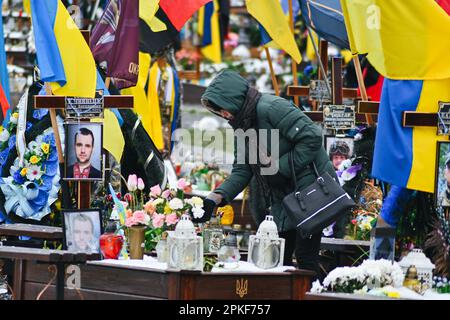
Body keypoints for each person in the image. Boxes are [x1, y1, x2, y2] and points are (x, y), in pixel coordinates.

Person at [195, 69, 337, 276]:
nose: (224, 115)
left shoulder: (271, 107)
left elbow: (312, 136)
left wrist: (280, 168)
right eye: (219, 112)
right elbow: (242, 170)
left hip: (309, 192)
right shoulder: (241, 126)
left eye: (223, 109)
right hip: (284, 199)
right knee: (279, 262)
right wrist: (214, 198)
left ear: (233, 99)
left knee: (306, 261)